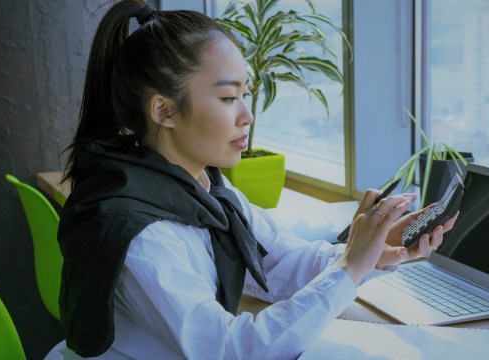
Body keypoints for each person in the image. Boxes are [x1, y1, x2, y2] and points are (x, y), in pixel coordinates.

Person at [46, 1, 458, 359]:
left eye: (246, 94)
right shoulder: (141, 234)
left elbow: (281, 261)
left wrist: (370, 253)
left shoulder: (204, 190)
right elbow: (232, 351)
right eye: (228, 98)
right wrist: (349, 267)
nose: (247, 115)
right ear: (164, 111)